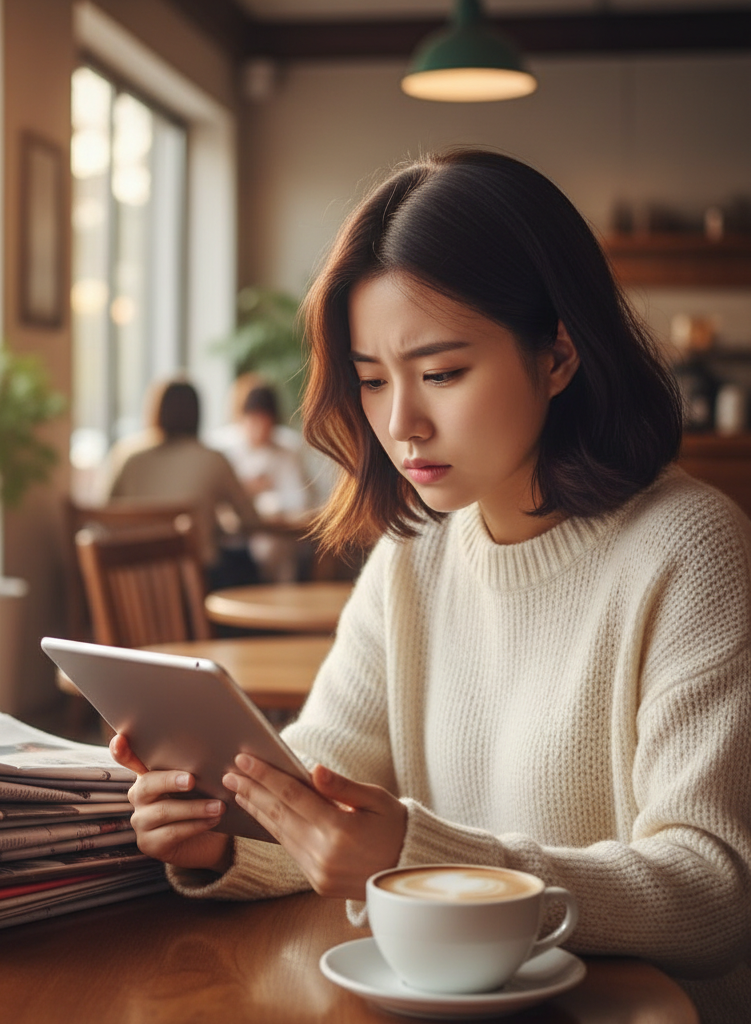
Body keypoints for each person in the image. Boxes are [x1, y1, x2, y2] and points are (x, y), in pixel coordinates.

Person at [110, 150, 751, 1021]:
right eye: (372, 380)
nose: (401, 424)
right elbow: (325, 785)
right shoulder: (416, 553)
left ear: (558, 354)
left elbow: (713, 892)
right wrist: (217, 832)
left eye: (442, 373)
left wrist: (415, 858)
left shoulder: (691, 550)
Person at [106, 378, 262, 590]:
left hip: (132, 584)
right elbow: (250, 520)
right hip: (194, 584)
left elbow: (105, 517)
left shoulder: (127, 457)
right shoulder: (213, 460)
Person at [214, 384, 313, 582]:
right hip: (232, 537)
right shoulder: (222, 449)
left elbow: (301, 501)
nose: (259, 430)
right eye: (253, 422)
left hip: (276, 537)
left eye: (264, 423)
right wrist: (248, 490)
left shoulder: (288, 449)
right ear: (242, 419)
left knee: (273, 550)